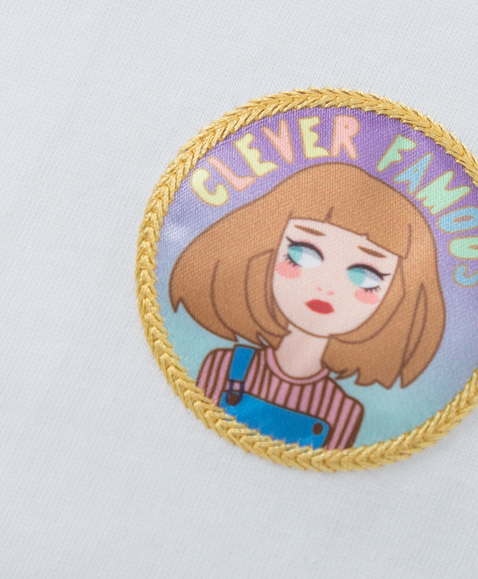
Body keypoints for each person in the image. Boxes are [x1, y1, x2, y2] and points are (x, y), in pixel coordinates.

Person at [169, 162, 445, 449]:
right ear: (265, 250)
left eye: (364, 276)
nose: (327, 286)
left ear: (396, 299)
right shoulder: (222, 367)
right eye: (303, 253)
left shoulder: (344, 411)